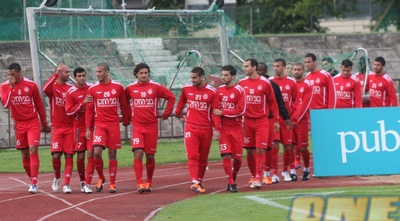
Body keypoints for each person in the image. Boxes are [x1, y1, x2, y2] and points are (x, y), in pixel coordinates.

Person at [125, 63, 175, 193]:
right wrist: (127, 116)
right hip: (136, 126)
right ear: (136, 74)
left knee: (150, 156)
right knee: (138, 153)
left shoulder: (156, 87)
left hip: (151, 126)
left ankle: (149, 182)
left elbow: (171, 97)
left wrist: (166, 113)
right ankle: (139, 183)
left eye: (146, 73)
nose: (144, 75)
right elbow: (123, 102)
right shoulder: (130, 88)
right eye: (141, 73)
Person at [1, 63, 50, 194]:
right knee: (24, 154)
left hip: (32, 122)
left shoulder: (31, 85)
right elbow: (6, 104)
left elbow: (39, 105)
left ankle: (34, 182)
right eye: (9, 74)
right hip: (19, 124)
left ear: (19, 73)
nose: (10, 77)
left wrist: (44, 123)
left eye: (12, 74)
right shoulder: (5, 86)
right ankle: (31, 177)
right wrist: (11, 88)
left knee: (33, 148)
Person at [85, 62, 130, 193]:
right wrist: (88, 127)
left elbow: (124, 105)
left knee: (112, 153)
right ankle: (101, 177)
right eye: (97, 72)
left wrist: (126, 120)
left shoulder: (117, 87)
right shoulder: (93, 89)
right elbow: (89, 110)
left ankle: (112, 183)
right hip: (99, 125)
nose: (97, 74)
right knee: (96, 152)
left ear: (107, 72)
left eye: (100, 72)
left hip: (113, 125)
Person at [175, 67, 221, 193]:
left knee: (203, 157)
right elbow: (181, 102)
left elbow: (215, 112)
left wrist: (217, 129)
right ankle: (194, 181)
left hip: (206, 128)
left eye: (195, 78)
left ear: (202, 77)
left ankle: (199, 181)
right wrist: (179, 115)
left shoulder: (212, 92)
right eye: (191, 78)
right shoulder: (186, 89)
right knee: (193, 155)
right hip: (191, 127)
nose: (192, 80)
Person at [238, 58, 279, 189]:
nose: (243, 68)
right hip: (247, 121)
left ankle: (258, 177)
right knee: (249, 151)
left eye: (246, 66)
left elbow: (273, 102)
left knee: (260, 149)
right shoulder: (241, 83)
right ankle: (253, 175)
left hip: (262, 121)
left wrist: (277, 120)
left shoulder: (265, 83)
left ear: (254, 67)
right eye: (243, 66)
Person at [65, 67, 105, 194]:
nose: (82, 78)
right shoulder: (71, 92)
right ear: (75, 78)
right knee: (80, 156)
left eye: (84, 75)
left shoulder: (92, 89)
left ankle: (88, 183)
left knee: (91, 154)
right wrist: (83, 103)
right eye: (79, 76)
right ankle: (82, 181)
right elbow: (69, 111)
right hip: (78, 128)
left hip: (92, 127)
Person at [213, 65, 245, 193]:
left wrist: (223, 112)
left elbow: (241, 110)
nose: (223, 77)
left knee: (237, 159)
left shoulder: (239, 90)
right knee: (226, 155)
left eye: (226, 75)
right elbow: (215, 111)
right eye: (222, 75)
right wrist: (217, 128)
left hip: (236, 129)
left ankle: (233, 176)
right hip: (224, 130)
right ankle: (231, 183)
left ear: (233, 76)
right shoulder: (219, 91)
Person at [43, 63, 74, 193]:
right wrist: (56, 74)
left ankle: (67, 184)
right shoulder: (53, 88)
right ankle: (57, 177)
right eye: (66, 72)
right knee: (56, 156)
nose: (68, 75)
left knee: (69, 155)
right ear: (60, 73)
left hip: (70, 127)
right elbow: (45, 89)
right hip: (57, 127)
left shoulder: (71, 88)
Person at [257, 62, 290, 184]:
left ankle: (274, 172)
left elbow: (279, 103)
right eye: (257, 70)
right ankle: (260, 173)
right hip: (256, 120)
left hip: (270, 119)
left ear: (265, 71)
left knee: (274, 145)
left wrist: (286, 117)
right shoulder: (248, 85)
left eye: (261, 70)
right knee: (259, 148)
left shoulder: (273, 86)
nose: (259, 72)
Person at [269, 58, 298, 182]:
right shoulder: (269, 82)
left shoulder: (291, 82)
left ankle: (286, 170)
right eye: (274, 66)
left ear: (284, 67)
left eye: (278, 66)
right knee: (274, 144)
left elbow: (296, 102)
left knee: (288, 146)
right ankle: (274, 172)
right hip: (275, 119)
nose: (276, 68)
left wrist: (293, 117)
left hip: (286, 119)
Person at [291, 63, 313, 181]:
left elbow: (306, 103)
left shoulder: (307, 84)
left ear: (303, 71)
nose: (296, 71)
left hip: (302, 120)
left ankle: (306, 169)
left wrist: (297, 118)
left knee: (303, 147)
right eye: (295, 69)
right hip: (290, 121)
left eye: (299, 69)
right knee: (290, 145)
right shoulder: (290, 84)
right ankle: (292, 170)